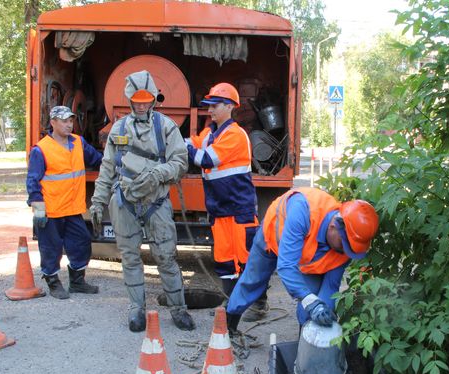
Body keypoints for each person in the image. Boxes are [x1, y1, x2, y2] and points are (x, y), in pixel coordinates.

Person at [89, 70, 193, 332]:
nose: (143, 104)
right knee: (130, 258)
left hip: (156, 203)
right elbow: (107, 167)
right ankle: (136, 309)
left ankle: (178, 309)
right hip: (125, 202)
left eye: (147, 99)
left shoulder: (166, 127)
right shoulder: (119, 129)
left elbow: (180, 163)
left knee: (166, 257)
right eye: (138, 100)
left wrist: (158, 173)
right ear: (130, 100)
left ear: (154, 100)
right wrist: (98, 202)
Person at [225, 187, 379, 334]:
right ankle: (228, 326)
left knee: (313, 299)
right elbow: (286, 266)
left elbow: (331, 287)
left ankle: (305, 345)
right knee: (252, 281)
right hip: (270, 240)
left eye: (350, 249)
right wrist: (310, 301)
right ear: (334, 226)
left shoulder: (347, 245)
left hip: (305, 258)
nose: (346, 252)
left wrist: (324, 313)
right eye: (344, 245)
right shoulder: (303, 210)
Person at [185, 82, 268, 320]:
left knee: (247, 260)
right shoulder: (211, 133)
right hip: (221, 210)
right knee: (225, 262)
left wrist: (188, 149)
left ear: (230, 107)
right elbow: (193, 143)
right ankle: (231, 308)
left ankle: (259, 306)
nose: (210, 109)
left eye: (215, 104)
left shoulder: (235, 135)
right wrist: (177, 141)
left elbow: (206, 159)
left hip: (239, 210)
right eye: (209, 105)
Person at [26, 105, 103, 299]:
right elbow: (32, 180)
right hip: (51, 210)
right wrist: (37, 206)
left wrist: (116, 162)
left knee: (82, 242)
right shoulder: (41, 149)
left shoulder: (78, 142)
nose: (69, 125)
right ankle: (53, 282)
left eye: (71, 121)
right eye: (64, 121)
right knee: (50, 247)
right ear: (53, 123)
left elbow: (97, 159)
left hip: (72, 208)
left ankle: (77, 282)